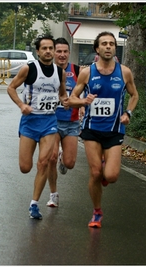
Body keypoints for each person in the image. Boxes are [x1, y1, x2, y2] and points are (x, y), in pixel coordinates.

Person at [67, 31, 139, 228]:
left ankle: (107, 167)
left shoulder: (124, 72)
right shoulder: (87, 73)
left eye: (111, 44)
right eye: (104, 44)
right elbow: (71, 99)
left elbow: (134, 95)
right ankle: (97, 212)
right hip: (91, 129)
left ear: (115, 48)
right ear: (97, 49)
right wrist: (83, 100)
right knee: (96, 172)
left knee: (111, 176)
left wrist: (128, 114)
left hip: (115, 130)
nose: (108, 46)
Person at [6, 34, 68, 220]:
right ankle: (35, 199)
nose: (48, 51)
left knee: (43, 163)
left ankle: (34, 204)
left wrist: (72, 102)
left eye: (51, 48)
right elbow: (11, 88)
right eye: (45, 48)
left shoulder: (60, 72)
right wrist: (21, 105)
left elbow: (63, 95)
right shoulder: (29, 69)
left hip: (49, 122)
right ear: (38, 51)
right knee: (25, 167)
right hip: (30, 122)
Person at [45, 37, 84, 208]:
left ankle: (63, 158)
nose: (62, 55)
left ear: (69, 53)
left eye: (65, 52)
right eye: (58, 51)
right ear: (53, 53)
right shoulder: (46, 71)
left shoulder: (77, 70)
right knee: (50, 158)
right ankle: (53, 194)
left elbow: (91, 91)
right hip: (51, 122)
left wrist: (83, 106)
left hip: (71, 123)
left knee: (70, 163)